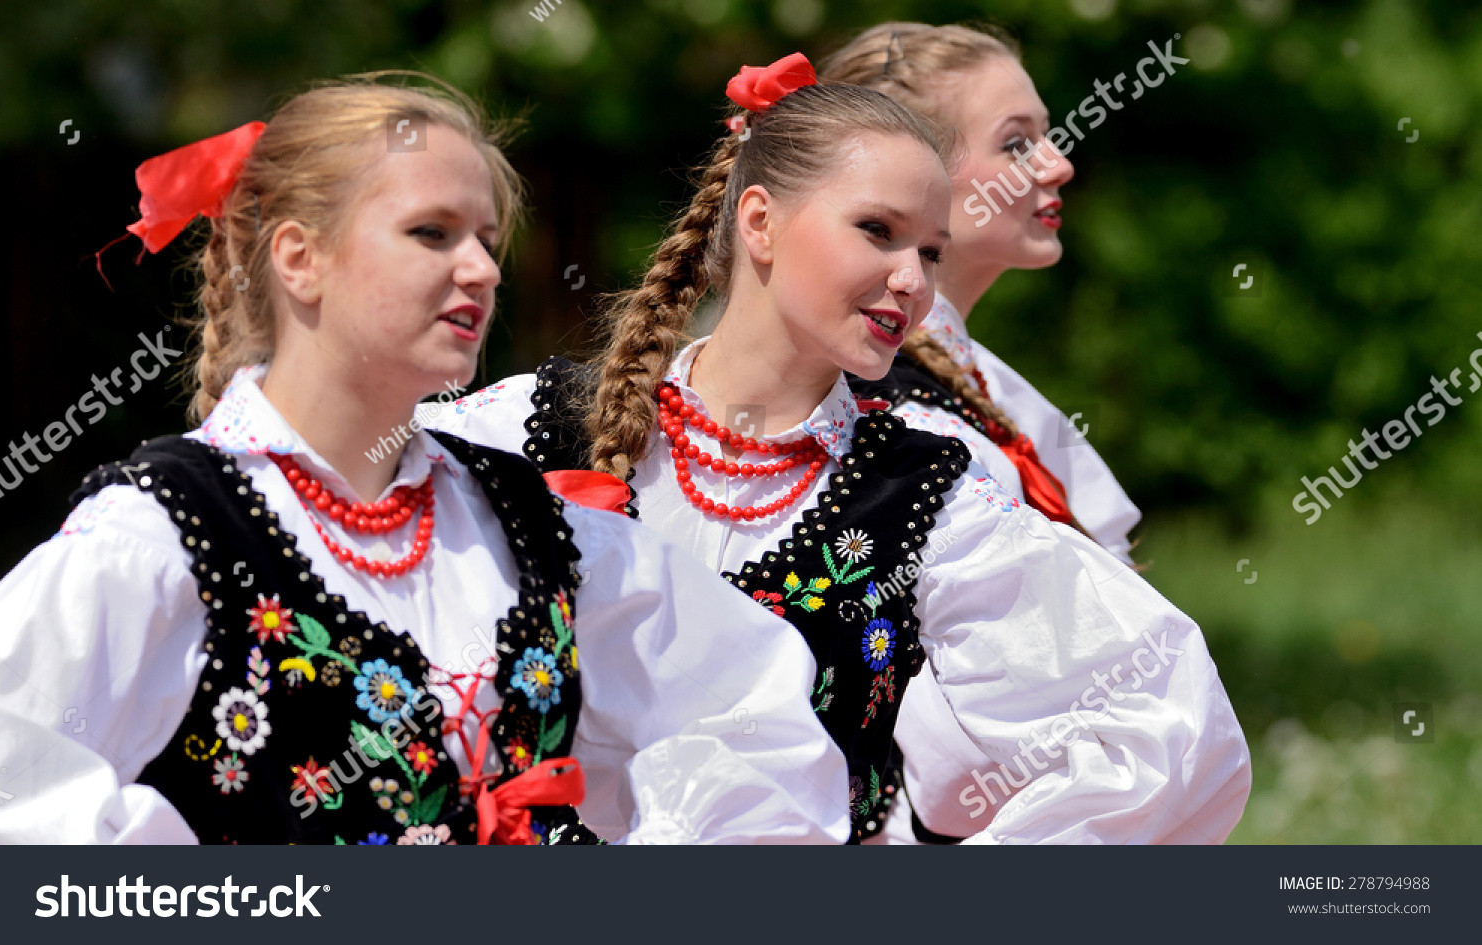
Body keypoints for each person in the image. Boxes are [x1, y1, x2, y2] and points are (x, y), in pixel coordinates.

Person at [0, 75, 851, 845]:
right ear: (299, 257)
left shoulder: (528, 528)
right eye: (432, 233)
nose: (480, 267)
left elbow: (756, 722)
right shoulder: (169, 534)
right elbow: (5, 782)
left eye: (487, 237)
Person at [430, 54, 1251, 843]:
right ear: (760, 220)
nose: (912, 279)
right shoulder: (531, 429)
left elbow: (1167, 722)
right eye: (877, 231)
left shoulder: (925, 492)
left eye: (928, 249)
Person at [821, 23, 1168, 841]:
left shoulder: (987, 384)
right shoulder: (873, 400)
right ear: (921, 172)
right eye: (1018, 143)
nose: (1059, 164)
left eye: (1046, 137)